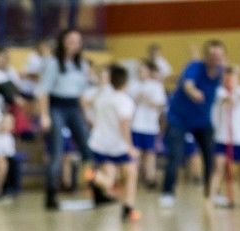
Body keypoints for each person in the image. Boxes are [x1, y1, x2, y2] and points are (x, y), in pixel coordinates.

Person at [37, 29, 108, 209]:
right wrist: (45, 116)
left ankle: (97, 191)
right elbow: (43, 92)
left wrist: (86, 116)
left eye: (78, 40)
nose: (75, 43)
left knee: (87, 150)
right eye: (71, 40)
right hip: (56, 106)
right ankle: (51, 195)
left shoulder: (81, 65)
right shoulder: (53, 64)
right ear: (63, 42)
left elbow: (81, 94)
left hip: (74, 107)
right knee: (57, 152)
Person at [160, 39, 226, 207]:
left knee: (210, 157)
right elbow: (187, 84)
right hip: (179, 118)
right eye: (212, 55)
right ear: (206, 56)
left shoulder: (221, 72)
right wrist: (193, 92)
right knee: (175, 155)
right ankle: (168, 192)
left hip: (202, 121)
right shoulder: (195, 67)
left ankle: (211, 192)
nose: (215, 58)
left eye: (219, 55)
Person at [87, 65, 140, 221]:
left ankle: (94, 176)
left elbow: (89, 105)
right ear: (126, 83)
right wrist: (130, 146)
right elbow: (124, 124)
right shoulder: (125, 101)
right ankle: (128, 207)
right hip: (117, 145)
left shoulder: (103, 98)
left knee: (110, 181)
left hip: (101, 143)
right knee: (131, 173)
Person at [208, 67, 240, 207]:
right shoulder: (219, 92)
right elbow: (225, 100)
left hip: (239, 138)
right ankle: (211, 198)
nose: (229, 82)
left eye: (232, 79)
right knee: (218, 168)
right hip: (222, 137)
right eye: (226, 79)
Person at [130, 60, 167, 189]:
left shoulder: (155, 86)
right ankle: (134, 177)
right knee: (136, 152)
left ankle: (150, 178)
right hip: (136, 125)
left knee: (150, 153)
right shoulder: (132, 85)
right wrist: (136, 99)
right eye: (138, 70)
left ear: (148, 72)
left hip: (150, 125)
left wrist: (148, 100)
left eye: (143, 70)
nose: (140, 73)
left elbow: (160, 105)